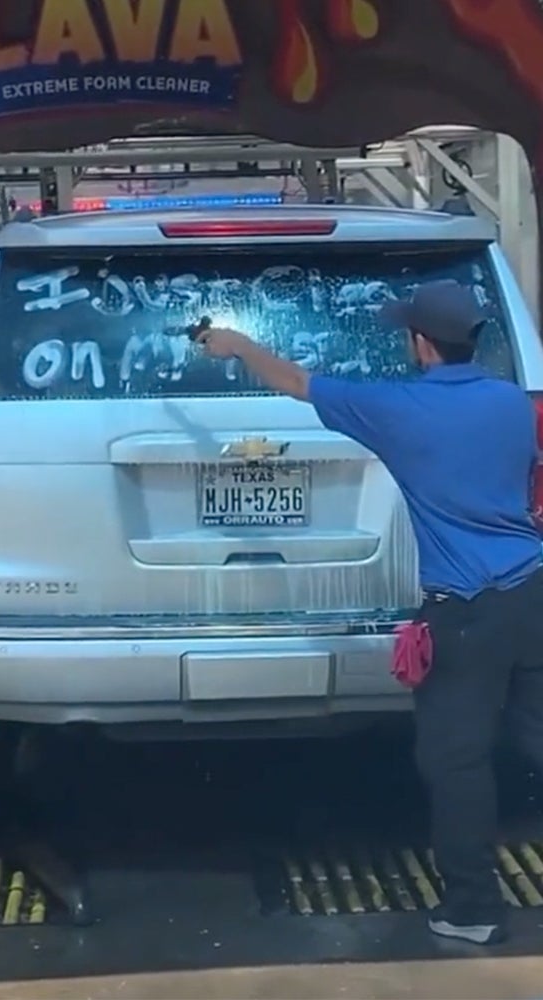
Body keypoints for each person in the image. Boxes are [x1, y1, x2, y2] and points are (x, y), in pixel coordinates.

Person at [199, 279, 543, 946]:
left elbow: (298, 382)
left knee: (457, 761)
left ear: (421, 343)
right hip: (533, 593)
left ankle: (473, 909)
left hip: (465, 610)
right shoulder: (508, 403)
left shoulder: (395, 408)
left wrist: (238, 345)